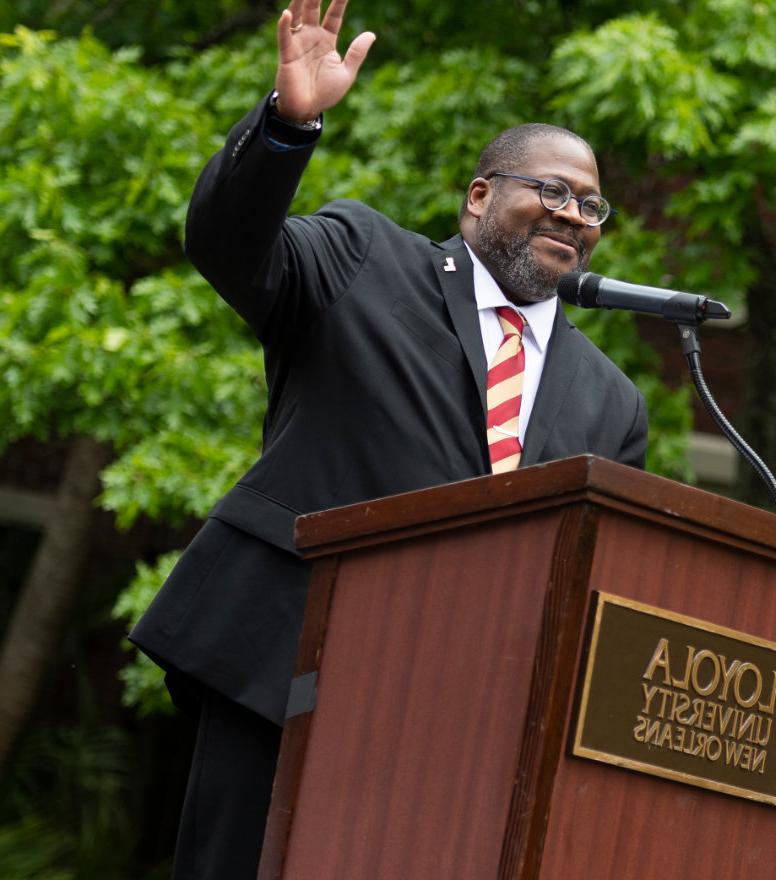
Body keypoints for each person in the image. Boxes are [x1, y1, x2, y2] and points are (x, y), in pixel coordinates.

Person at [127, 0, 647, 876]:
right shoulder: (365, 258)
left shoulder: (611, 400)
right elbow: (227, 246)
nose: (572, 214)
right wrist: (289, 128)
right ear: (480, 196)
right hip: (287, 668)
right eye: (549, 190)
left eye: (591, 205)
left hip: (457, 724)